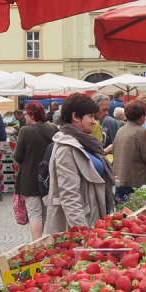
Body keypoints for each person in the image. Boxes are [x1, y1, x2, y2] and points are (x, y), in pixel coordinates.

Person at [43, 93, 115, 234]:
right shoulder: (66, 147)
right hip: (79, 223)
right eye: (90, 116)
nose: (94, 121)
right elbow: (69, 195)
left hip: (92, 217)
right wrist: (83, 232)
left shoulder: (84, 141)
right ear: (75, 116)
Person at [13, 101, 58, 240]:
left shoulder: (25, 131)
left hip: (30, 177)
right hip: (48, 177)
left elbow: (18, 156)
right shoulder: (53, 128)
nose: (25, 116)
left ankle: (37, 245)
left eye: (27, 113)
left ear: (32, 114)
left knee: (34, 213)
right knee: (45, 213)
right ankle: (44, 242)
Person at [112, 99, 146, 203]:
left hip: (120, 180)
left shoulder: (121, 130)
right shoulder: (142, 132)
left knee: (123, 213)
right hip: (135, 182)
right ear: (141, 117)